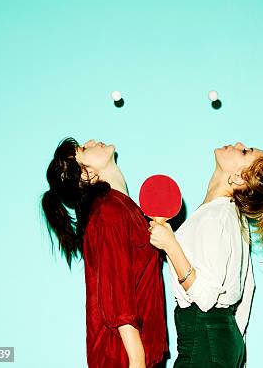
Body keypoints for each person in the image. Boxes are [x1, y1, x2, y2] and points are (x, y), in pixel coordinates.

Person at [149, 142, 263, 368]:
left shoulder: (216, 216)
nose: (238, 144)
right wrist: (231, 342)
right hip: (224, 342)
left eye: (245, 152)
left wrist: (170, 245)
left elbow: (205, 298)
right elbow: (248, 289)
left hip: (203, 339)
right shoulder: (231, 216)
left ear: (238, 177)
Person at [41, 138, 169, 368]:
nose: (92, 141)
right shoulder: (109, 212)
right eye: (83, 149)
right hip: (126, 359)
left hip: (142, 356)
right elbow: (118, 301)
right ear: (87, 175)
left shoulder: (124, 209)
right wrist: (138, 360)